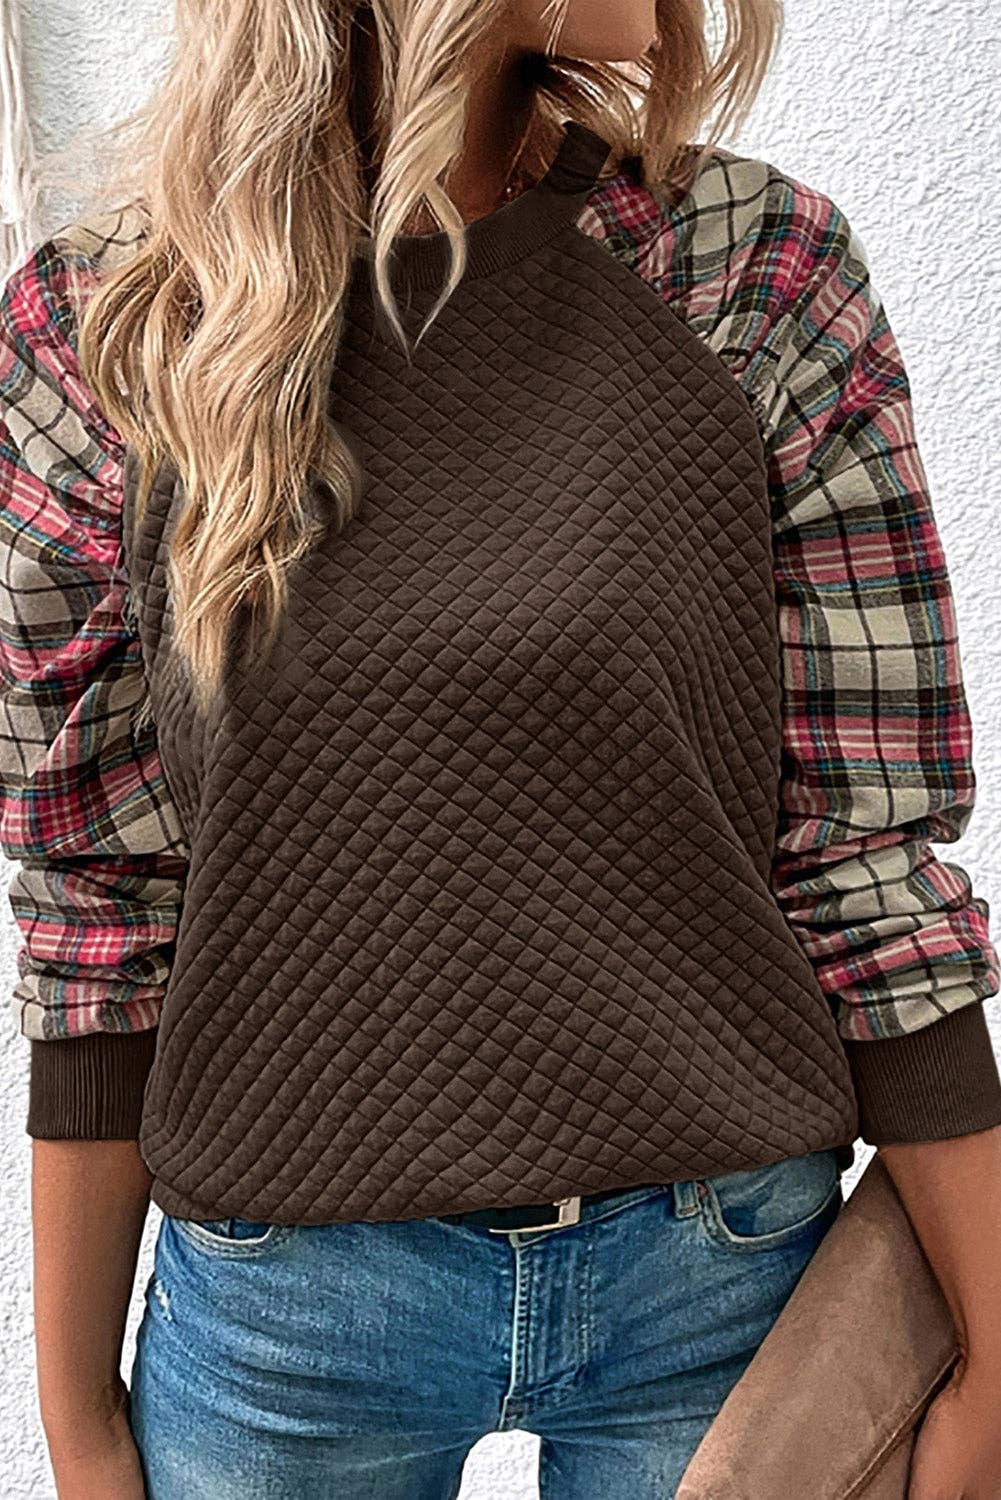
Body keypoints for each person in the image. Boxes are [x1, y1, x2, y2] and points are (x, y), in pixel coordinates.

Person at [3, 2, 1001, 1497]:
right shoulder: (107, 328)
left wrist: (994, 1350)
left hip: (721, 1279)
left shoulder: (745, 271)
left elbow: (864, 856)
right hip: (287, 1317)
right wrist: (77, 1421)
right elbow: (99, 910)